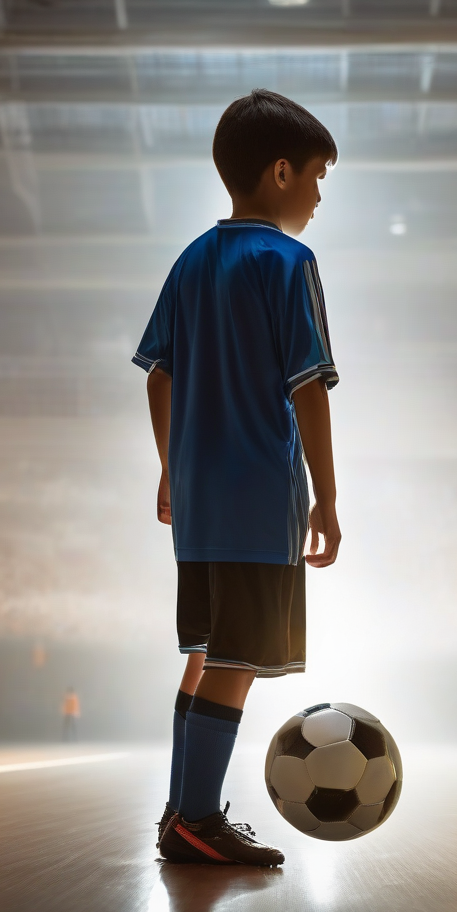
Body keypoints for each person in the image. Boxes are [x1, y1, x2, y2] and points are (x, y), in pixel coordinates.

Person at [132, 89, 341, 867]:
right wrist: (326, 495)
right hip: (259, 495)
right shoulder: (289, 263)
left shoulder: (191, 259)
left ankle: (181, 814)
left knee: (205, 652)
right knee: (240, 659)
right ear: (281, 172)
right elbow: (308, 385)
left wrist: (169, 466)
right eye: (317, 177)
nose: (319, 196)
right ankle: (194, 821)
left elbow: (159, 375)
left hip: (201, 499)